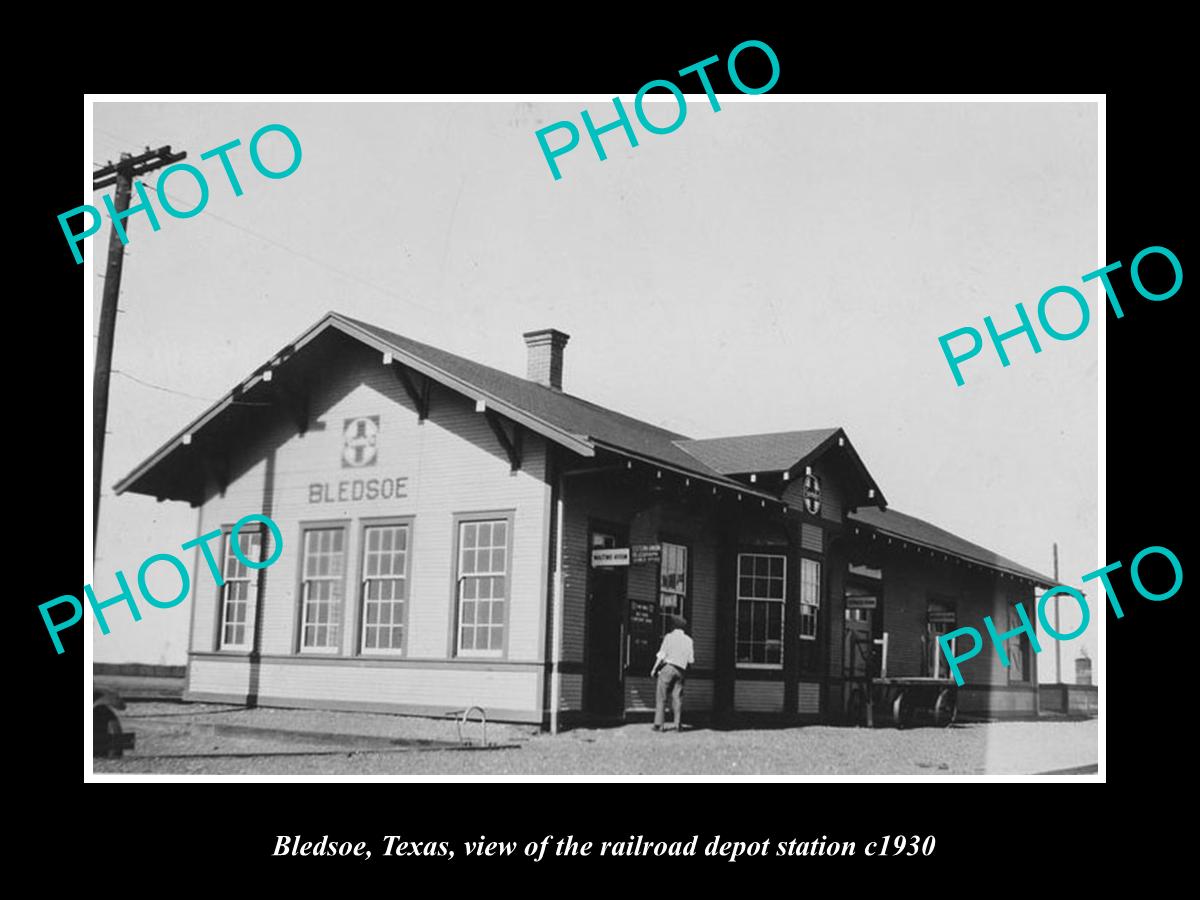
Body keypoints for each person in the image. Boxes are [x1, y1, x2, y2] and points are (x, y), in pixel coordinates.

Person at [650, 614, 694, 732]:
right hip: (681, 670)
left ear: (673, 626)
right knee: (677, 698)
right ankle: (677, 724)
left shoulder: (669, 637)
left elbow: (662, 655)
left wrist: (654, 669)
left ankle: (659, 724)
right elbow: (691, 660)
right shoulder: (689, 640)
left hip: (668, 668)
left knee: (661, 696)